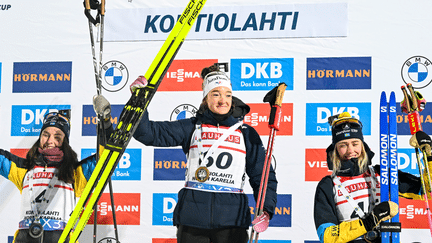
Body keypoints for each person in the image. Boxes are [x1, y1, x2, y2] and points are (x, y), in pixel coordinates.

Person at [130, 64, 278, 243]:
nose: (223, 100)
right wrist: (138, 101)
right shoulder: (192, 127)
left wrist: (266, 209)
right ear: (206, 98)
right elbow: (147, 133)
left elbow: (262, 176)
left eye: (228, 95)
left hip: (232, 223)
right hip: (193, 221)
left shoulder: (245, 133)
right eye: (216, 94)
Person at [1, 95, 113, 243]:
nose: (50, 141)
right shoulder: (23, 168)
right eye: (45, 135)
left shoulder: (75, 172)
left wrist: (104, 122)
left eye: (57, 136)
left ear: (65, 141)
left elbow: (107, 158)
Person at [313, 112, 432, 243]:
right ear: (335, 150)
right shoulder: (328, 185)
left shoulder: (381, 174)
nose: (350, 150)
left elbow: (427, 190)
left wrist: (429, 155)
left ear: (363, 145)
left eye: (355, 143)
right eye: (343, 145)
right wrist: (370, 221)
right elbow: (327, 236)